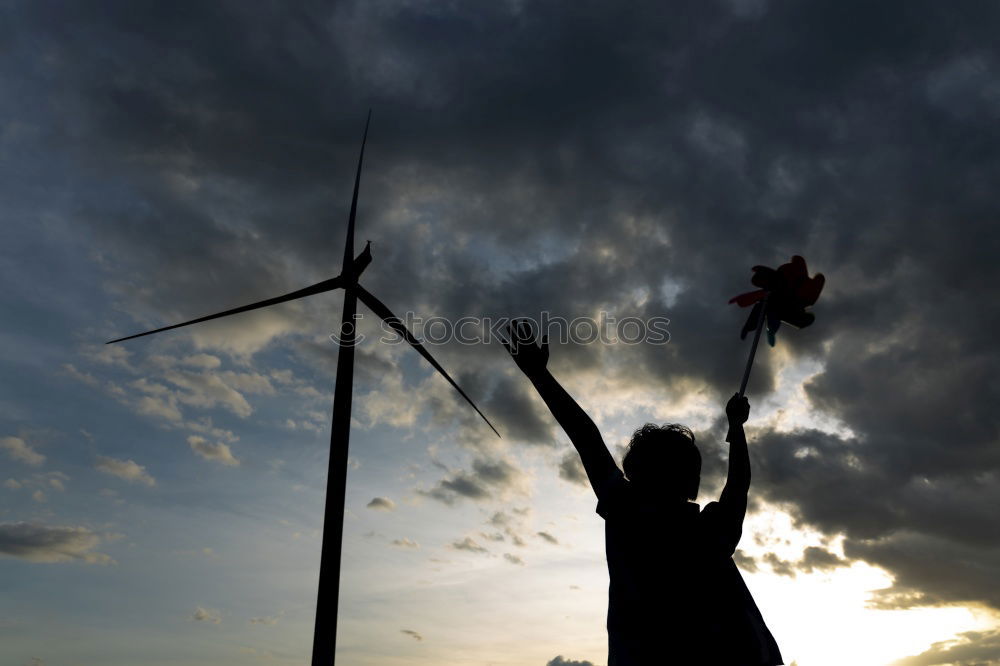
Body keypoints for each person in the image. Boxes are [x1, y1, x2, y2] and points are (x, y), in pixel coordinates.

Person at [502, 320, 782, 665]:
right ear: (691, 478)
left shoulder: (625, 508)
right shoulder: (709, 530)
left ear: (634, 470)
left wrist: (539, 376)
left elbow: (586, 438)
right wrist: (736, 428)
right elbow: (738, 485)